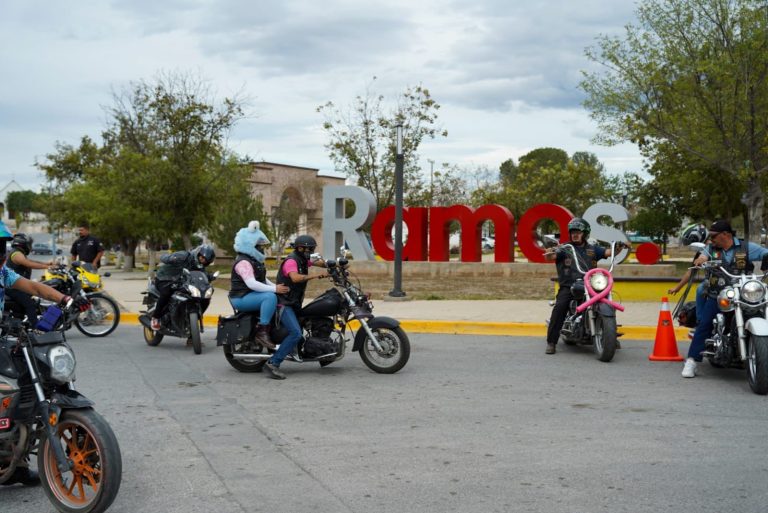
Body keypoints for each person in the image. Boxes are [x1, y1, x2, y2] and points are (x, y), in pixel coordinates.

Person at [0, 226, 89, 487]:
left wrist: (65, 300)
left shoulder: (3, 272)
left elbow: (34, 287)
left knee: (31, 380)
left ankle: (16, 459)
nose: (0, 254)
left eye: (1, 247)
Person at [683, 219, 768, 378]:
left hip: (743, 292)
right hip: (718, 293)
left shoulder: (746, 247)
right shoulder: (711, 249)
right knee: (705, 323)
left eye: (714, 235)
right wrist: (701, 260)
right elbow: (702, 257)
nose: (711, 238)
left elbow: (765, 253)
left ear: (725, 234)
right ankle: (692, 361)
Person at [543, 218, 627, 355]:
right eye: (573, 232)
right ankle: (551, 342)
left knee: (607, 302)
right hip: (569, 285)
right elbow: (550, 256)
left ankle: (610, 334)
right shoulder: (565, 248)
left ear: (585, 233)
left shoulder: (592, 249)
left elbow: (608, 253)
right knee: (560, 307)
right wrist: (550, 250)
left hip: (590, 284)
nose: (575, 235)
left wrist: (618, 247)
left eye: (578, 232)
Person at [264, 235, 328, 379]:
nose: (310, 251)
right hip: (284, 303)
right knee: (296, 333)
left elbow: (320, 263)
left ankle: (310, 350)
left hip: (293, 302)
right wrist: (317, 276)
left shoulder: (304, 260)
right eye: (309, 249)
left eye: (312, 249)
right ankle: (273, 362)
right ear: (301, 248)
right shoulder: (292, 260)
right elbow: (295, 277)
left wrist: (336, 264)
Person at [229, 221, 289, 349]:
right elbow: (251, 283)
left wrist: (278, 288)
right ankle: (262, 332)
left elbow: (262, 279)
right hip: (240, 298)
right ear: (249, 245)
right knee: (269, 297)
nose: (261, 249)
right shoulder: (243, 262)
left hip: (249, 295)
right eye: (258, 246)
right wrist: (274, 289)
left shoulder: (253, 260)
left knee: (275, 295)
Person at [150, 244, 216, 331]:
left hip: (180, 282)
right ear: (198, 253)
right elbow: (164, 258)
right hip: (164, 278)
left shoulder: (199, 265)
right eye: (202, 257)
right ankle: (155, 317)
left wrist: (209, 277)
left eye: (205, 260)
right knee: (166, 293)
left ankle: (189, 327)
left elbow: (202, 274)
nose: (202, 260)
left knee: (201, 297)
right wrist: (170, 258)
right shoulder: (184, 256)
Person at [5, 233, 54, 323]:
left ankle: (20, 326)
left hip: (18, 286)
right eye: (29, 244)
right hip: (13, 287)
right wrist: (47, 267)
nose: (30, 247)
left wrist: (47, 264)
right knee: (30, 304)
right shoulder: (16, 254)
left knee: (24, 306)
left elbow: (30, 261)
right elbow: (28, 264)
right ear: (23, 244)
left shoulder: (18, 253)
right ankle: (36, 327)